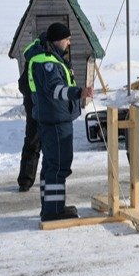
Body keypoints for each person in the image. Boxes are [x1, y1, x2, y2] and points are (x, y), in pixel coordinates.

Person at [28, 22, 92, 221]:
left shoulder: (48, 58)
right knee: (58, 165)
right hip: (56, 120)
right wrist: (79, 93)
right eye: (67, 39)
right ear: (57, 40)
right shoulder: (47, 63)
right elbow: (56, 90)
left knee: (50, 165)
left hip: (52, 118)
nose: (69, 43)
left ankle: (50, 206)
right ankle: (54, 211)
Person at [15, 34, 45, 192]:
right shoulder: (44, 58)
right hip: (40, 107)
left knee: (32, 143)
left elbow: (22, 84)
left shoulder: (31, 56)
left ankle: (25, 181)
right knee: (45, 144)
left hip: (32, 106)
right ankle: (47, 179)